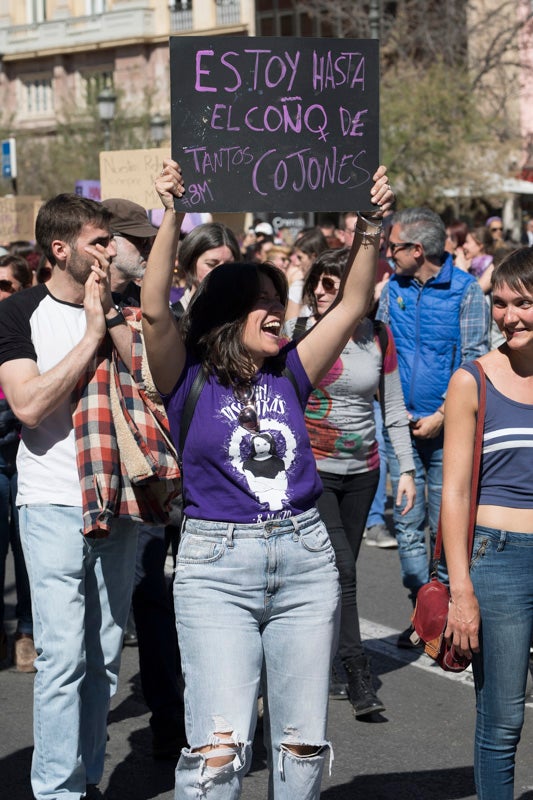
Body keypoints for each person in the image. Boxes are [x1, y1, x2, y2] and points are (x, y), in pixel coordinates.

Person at [141, 157, 393, 799]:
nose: (279, 311)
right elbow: (153, 313)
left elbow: (357, 300)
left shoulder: (292, 371)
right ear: (228, 313)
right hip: (216, 568)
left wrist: (371, 226)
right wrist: (171, 210)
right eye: (261, 304)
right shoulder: (185, 377)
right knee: (220, 752)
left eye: (280, 300)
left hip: (307, 562)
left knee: (301, 747)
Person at [0, 193, 176, 800]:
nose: (110, 250)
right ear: (60, 249)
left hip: (120, 501)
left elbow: (158, 391)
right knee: (61, 660)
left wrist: (118, 321)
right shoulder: (19, 312)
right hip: (51, 501)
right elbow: (26, 405)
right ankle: (55, 791)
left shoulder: (127, 310)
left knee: (101, 659)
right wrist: (90, 336)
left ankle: (88, 778)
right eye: (99, 242)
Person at [285, 247, 415, 719]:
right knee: (341, 568)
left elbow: (394, 409)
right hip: (311, 473)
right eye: (315, 282)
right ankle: (357, 672)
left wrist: (407, 472)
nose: (318, 291)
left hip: (364, 472)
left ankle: (321, 658)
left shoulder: (378, 336)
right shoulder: (298, 334)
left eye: (329, 283)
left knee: (337, 574)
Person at [441, 246, 533, 800]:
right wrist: (461, 589)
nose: (509, 316)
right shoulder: (472, 380)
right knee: (502, 722)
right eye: (500, 303)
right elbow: (453, 492)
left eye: (523, 303)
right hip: (498, 559)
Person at [376, 207, 490, 646]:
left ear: (417, 249)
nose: (389, 255)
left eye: (393, 248)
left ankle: (439, 612)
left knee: (446, 528)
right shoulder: (394, 289)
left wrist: (444, 414)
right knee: (407, 524)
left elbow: (473, 356)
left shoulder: (465, 292)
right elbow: (384, 349)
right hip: (400, 430)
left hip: (449, 432)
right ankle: (418, 602)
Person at [103, 196, 186, 759]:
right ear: (107, 244)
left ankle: (169, 719)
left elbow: (155, 375)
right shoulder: (64, 306)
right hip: (89, 477)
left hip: (148, 479)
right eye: (139, 238)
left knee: (150, 598)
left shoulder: (147, 307)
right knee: (104, 610)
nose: (149, 247)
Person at [0, 254, 36, 671]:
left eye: (8, 285)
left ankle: (27, 632)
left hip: (25, 448)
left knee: (27, 550)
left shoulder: (30, 326)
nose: (1, 293)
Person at [170, 222, 241, 318]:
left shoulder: (241, 317)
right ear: (190, 263)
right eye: (211, 264)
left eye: (229, 266)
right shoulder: (173, 320)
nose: (221, 272)